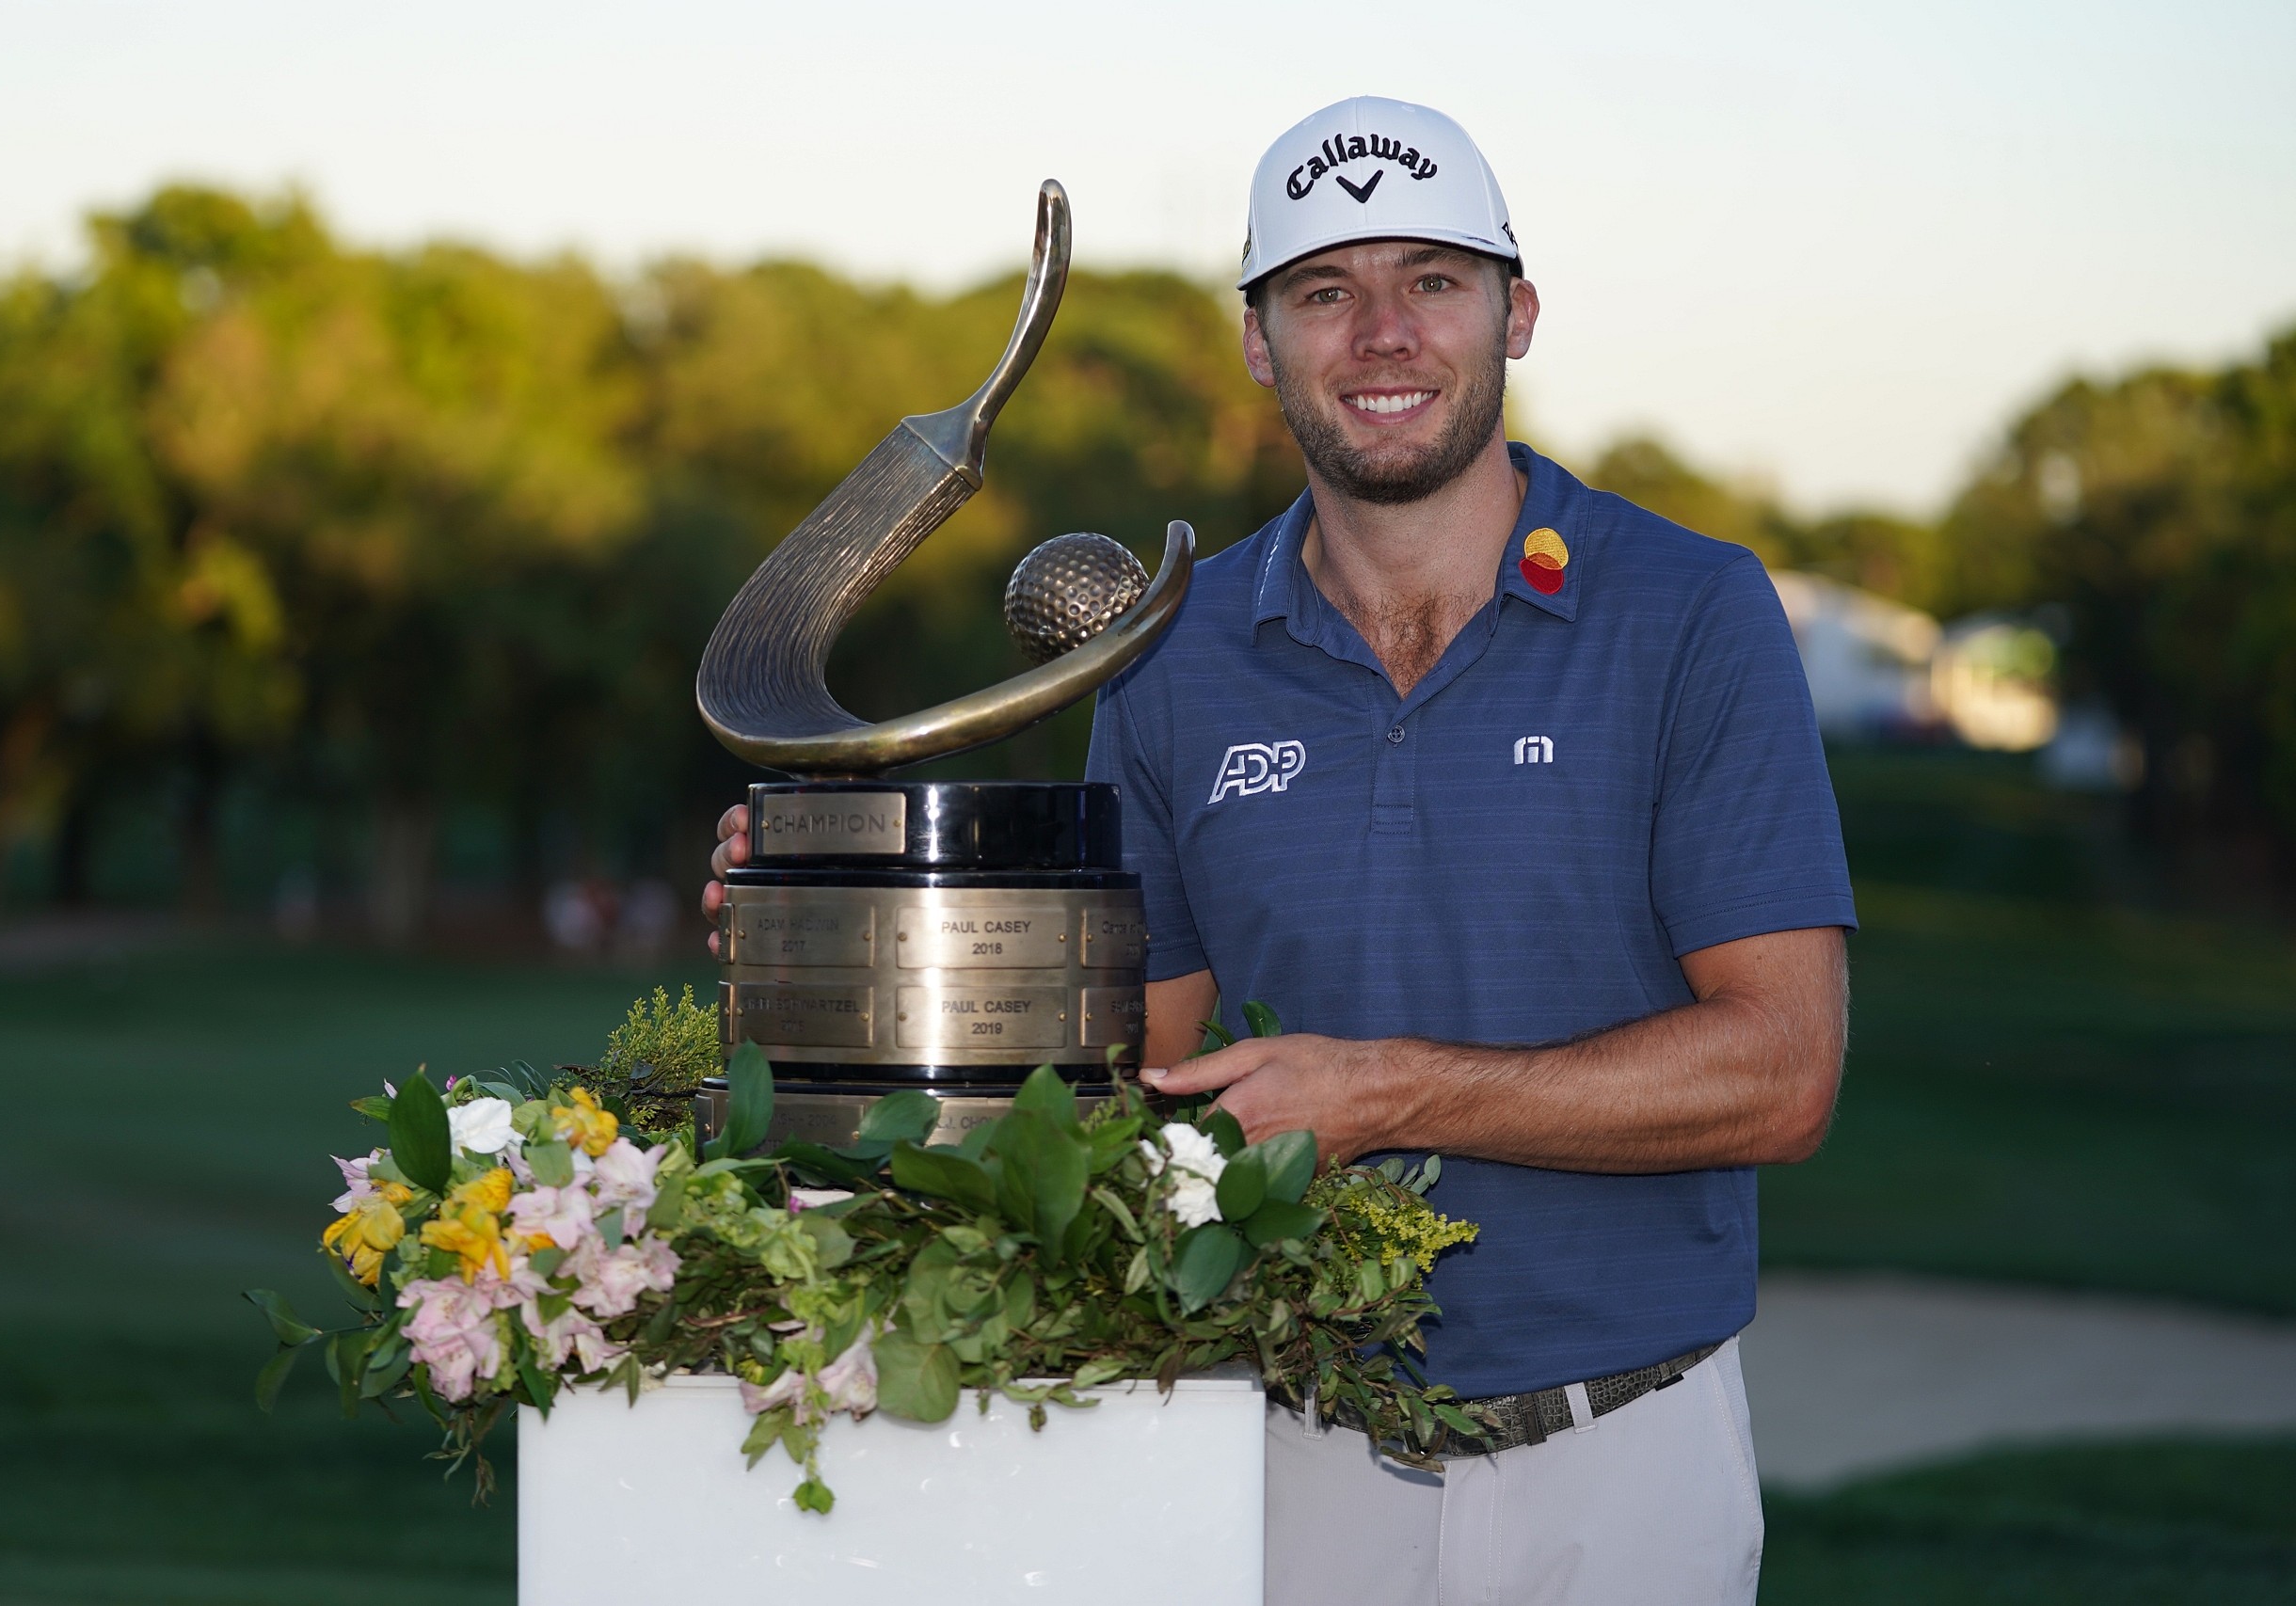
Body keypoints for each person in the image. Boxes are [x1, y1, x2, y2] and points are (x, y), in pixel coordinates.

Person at [708, 95, 1853, 1606]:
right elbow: (1122, 1080)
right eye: (1325, 291)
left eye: (1431, 280)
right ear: (1259, 342)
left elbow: (1784, 1073)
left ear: (1516, 313)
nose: (1381, 333)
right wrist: (863, 937)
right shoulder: (1172, 661)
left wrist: (1393, 1093)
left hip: (1627, 1465)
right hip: (1283, 1458)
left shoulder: (1690, 611)